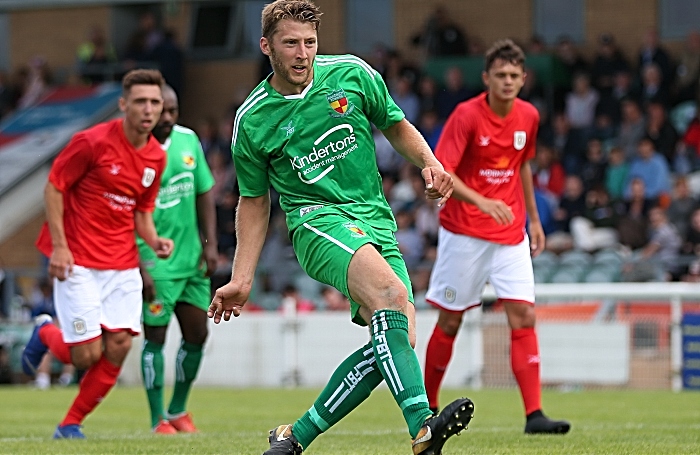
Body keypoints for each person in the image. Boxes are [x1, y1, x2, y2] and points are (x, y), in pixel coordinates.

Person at [206, 2, 472, 454]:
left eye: (309, 42)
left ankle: (293, 439)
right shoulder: (252, 119)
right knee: (390, 298)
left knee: (396, 339)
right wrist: (242, 277)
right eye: (290, 43)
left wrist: (430, 162)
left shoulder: (352, 74)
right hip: (316, 223)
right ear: (266, 46)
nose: (302, 53)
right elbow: (253, 200)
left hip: (374, 218)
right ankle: (422, 427)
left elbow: (395, 123)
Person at [422, 39, 571, 435]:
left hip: (511, 233)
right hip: (465, 232)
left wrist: (534, 220)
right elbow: (443, 172)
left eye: (514, 75)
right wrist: (484, 202)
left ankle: (534, 415)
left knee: (524, 316)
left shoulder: (529, 116)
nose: (507, 81)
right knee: (451, 320)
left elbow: (522, 166)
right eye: (500, 75)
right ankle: (426, 409)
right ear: (486, 78)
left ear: (524, 79)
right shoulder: (465, 116)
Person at [21, 69, 173, 439]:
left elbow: (141, 211)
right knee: (84, 356)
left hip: (122, 265)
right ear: (123, 105)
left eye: (155, 102)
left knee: (120, 346)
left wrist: (153, 242)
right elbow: (55, 188)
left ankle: (70, 424)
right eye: (140, 101)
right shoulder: (90, 142)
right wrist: (59, 247)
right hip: (78, 261)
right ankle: (44, 331)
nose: (148, 109)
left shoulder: (155, 157)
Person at [137, 84, 217, 434]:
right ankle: (157, 419)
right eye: (161, 111)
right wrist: (140, 265)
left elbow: (204, 192)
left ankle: (177, 410)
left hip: (192, 261)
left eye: (172, 110)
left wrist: (210, 243)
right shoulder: (134, 149)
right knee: (155, 337)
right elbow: (126, 213)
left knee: (197, 334)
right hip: (155, 262)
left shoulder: (188, 140)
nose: (167, 117)